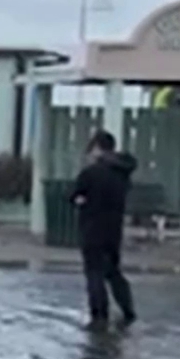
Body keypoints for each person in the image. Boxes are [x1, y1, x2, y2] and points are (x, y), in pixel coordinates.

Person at [72, 129, 138, 328]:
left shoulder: (90, 173)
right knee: (113, 272)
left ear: (98, 148)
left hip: (92, 228)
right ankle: (128, 310)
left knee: (94, 273)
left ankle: (99, 315)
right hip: (113, 230)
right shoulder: (122, 173)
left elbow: (74, 196)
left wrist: (81, 201)